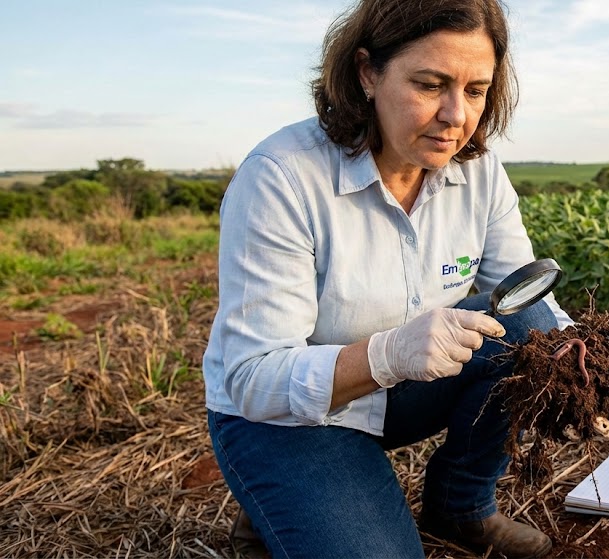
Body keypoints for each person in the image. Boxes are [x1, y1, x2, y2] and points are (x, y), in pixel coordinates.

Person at [202, 0, 574, 557]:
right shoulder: (282, 177)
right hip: (289, 418)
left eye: (476, 91)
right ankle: (280, 497)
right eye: (430, 84)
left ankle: (461, 505)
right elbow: (252, 379)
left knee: (532, 326)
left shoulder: (478, 171)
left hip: (401, 391)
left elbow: (526, 293)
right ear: (367, 72)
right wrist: (387, 355)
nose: (456, 116)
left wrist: (581, 372)